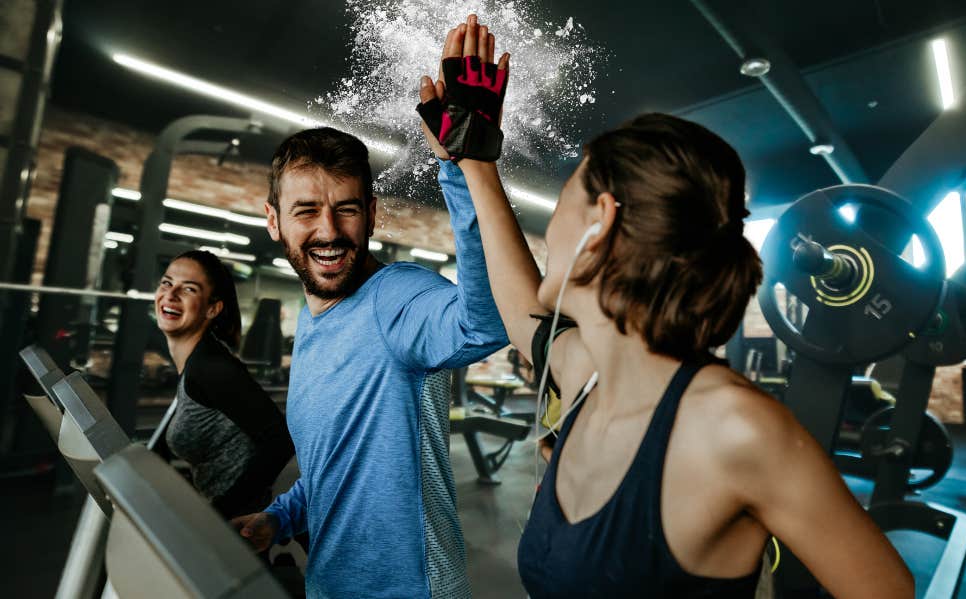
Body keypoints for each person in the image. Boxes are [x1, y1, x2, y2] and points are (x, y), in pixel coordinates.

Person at [416, 20, 915, 598]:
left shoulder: (735, 428)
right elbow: (521, 310)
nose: (550, 225)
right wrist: (475, 165)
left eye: (564, 200)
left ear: (599, 221)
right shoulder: (587, 377)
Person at [229, 27, 510, 597]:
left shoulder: (395, 297)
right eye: (306, 210)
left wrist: (464, 168)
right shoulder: (312, 320)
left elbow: (486, 323)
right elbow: (337, 467)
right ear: (273, 220)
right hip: (330, 583)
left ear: (372, 214)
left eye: (346, 209)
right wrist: (279, 518)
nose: (328, 231)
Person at [154, 250, 294, 519]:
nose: (170, 295)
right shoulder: (194, 363)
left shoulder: (210, 368)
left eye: (189, 289)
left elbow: (279, 441)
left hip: (238, 531)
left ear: (212, 308)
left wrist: (220, 514)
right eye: (167, 283)